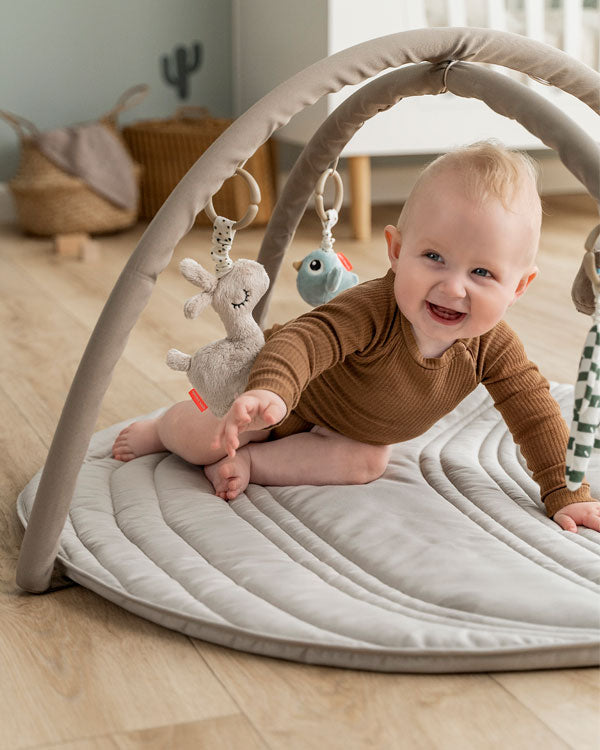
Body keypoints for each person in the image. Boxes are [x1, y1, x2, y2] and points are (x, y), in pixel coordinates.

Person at [112, 141, 600, 533]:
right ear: (396, 250)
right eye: (434, 258)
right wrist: (270, 390)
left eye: (482, 272)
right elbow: (306, 338)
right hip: (284, 394)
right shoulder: (373, 308)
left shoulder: (495, 348)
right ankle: (163, 428)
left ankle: (255, 466)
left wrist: (566, 492)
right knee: (208, 438)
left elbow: (535, 415)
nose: (453, 287)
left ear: (519, 287)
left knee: (367, 461)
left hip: (350, 430)